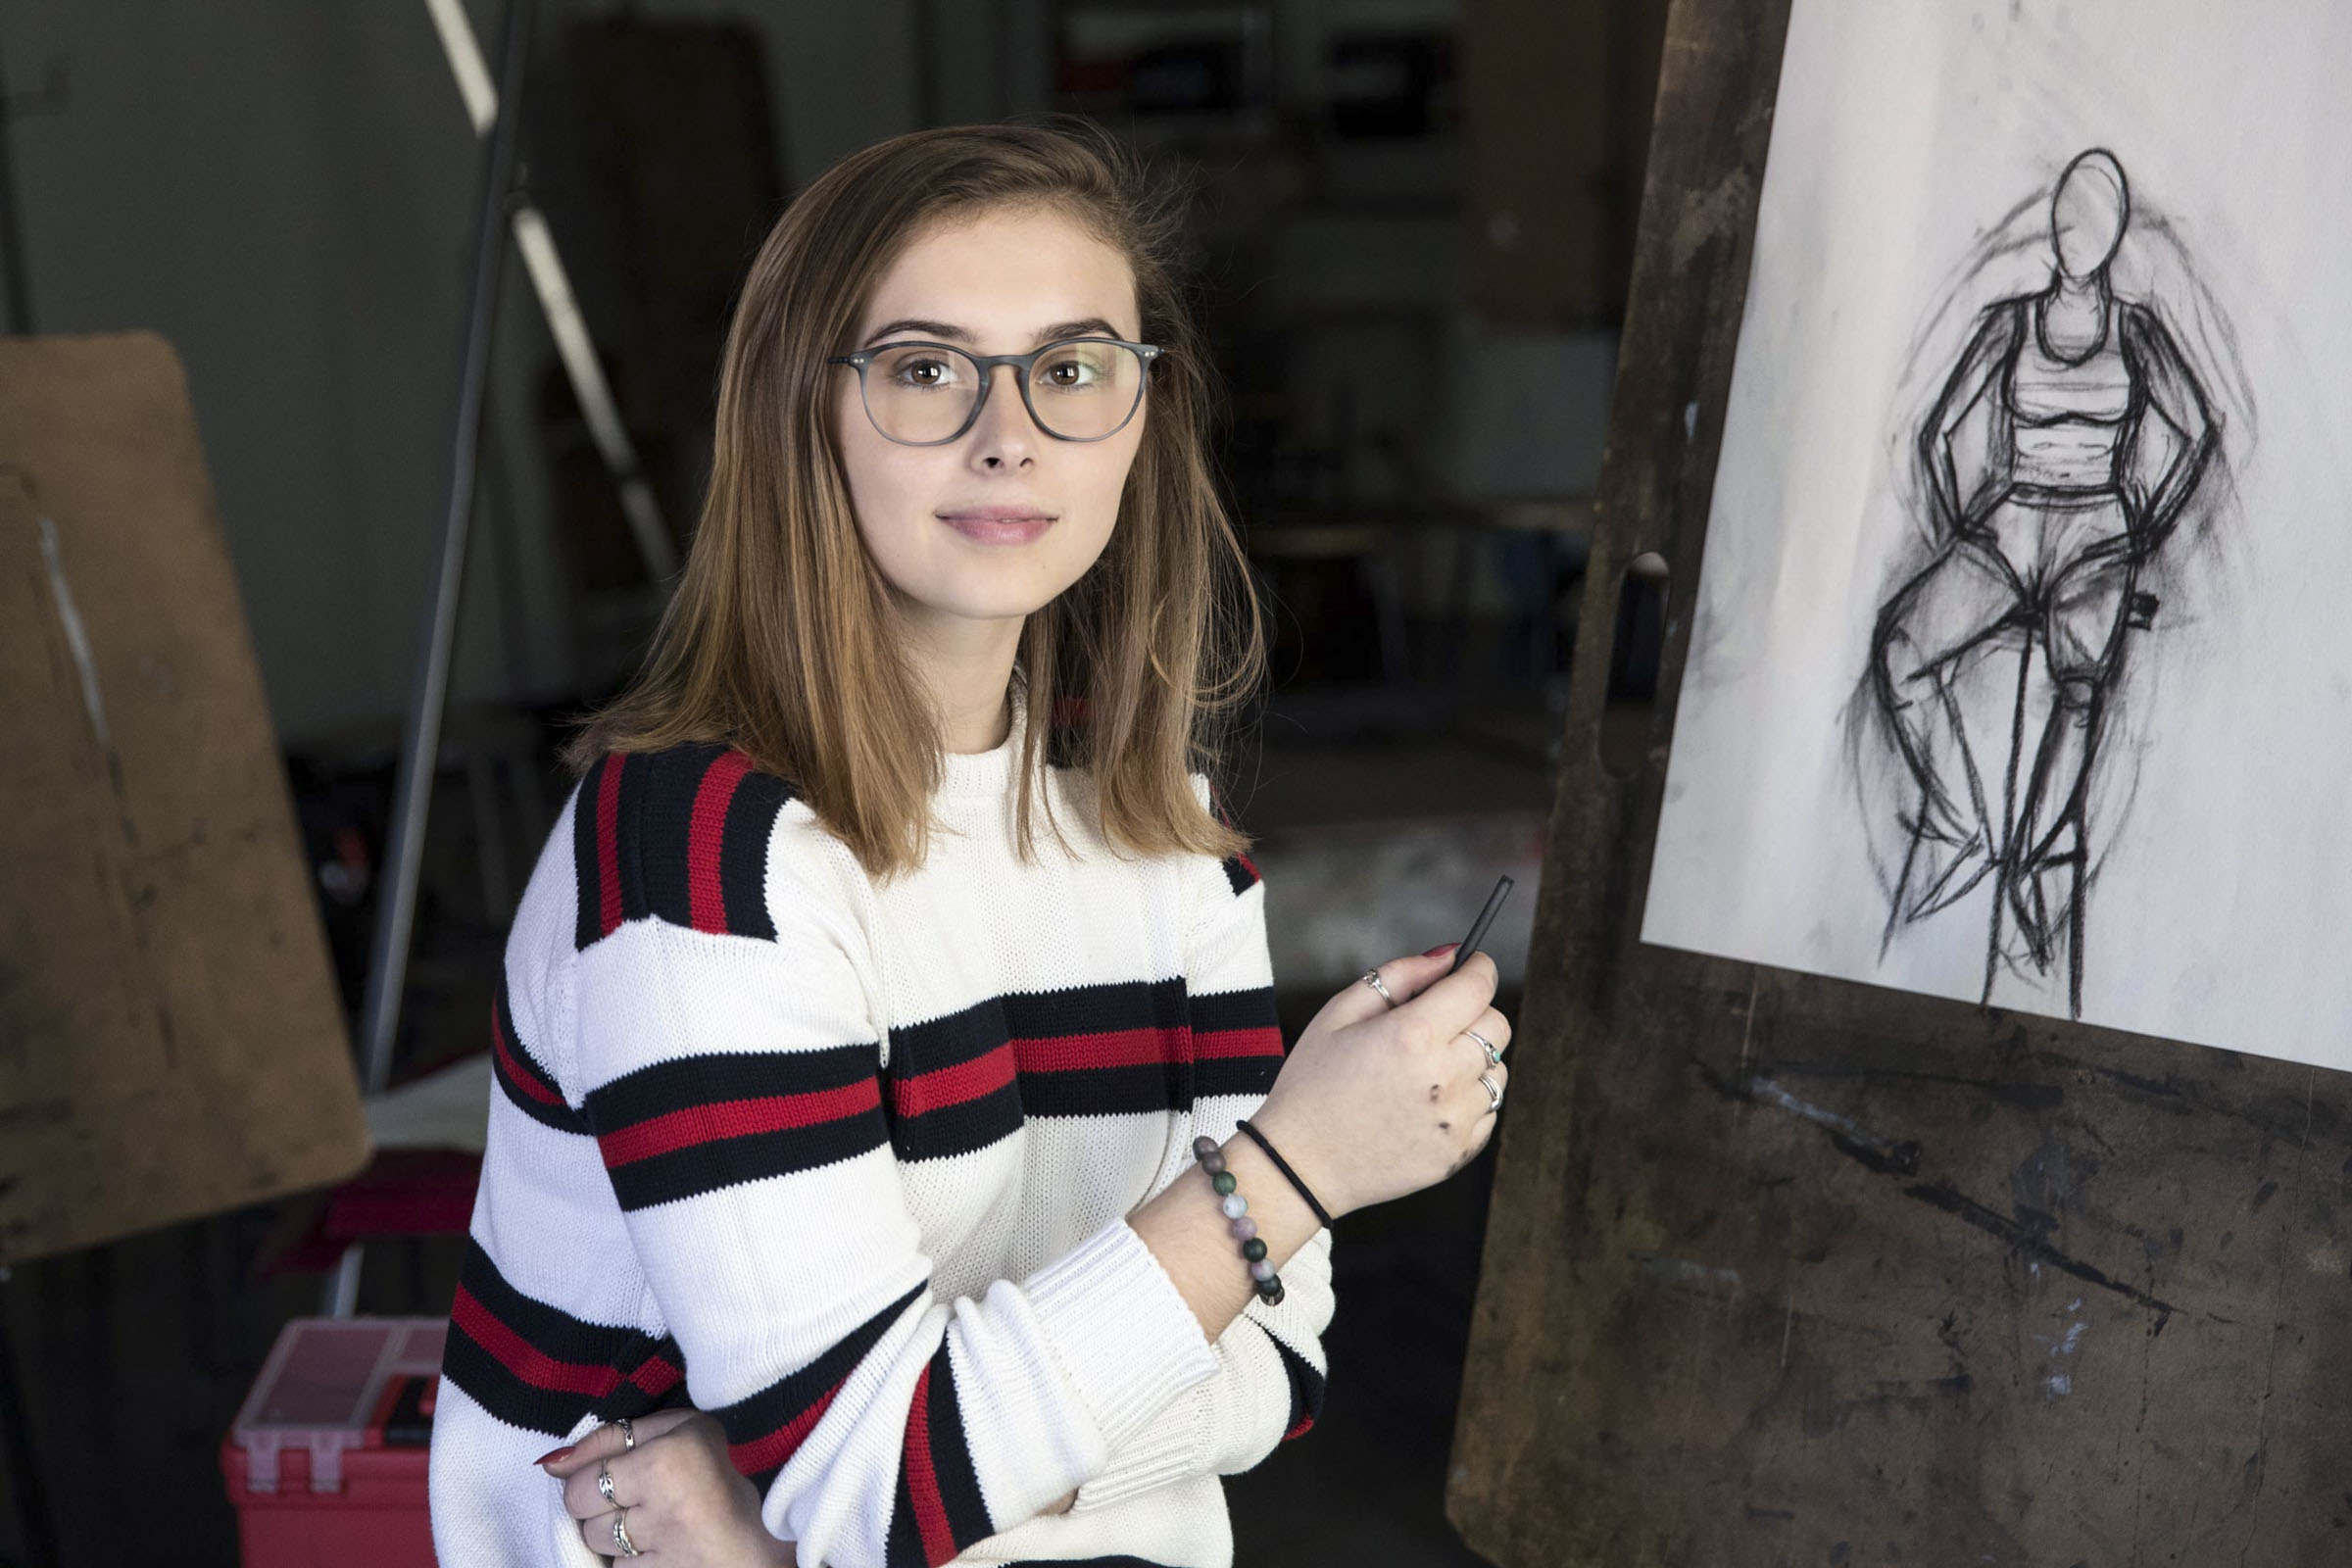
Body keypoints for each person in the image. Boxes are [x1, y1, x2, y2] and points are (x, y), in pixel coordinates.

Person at [426, 120, 1514, 1568]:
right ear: (799, 413)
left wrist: (808, 1493)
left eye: (1072, 370)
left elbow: (1274, 1382)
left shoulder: (1164, 836)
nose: (1011, 434)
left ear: (1142, 417)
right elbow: (883, 1491)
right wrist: (1293, 1168)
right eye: (927, 369)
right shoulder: (700, 861)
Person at [1867, 147, 2216, 1012]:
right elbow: (1937, 433)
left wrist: (2142, 533)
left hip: (2099, 531)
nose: (2074, 236)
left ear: (2114, 235)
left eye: (2091, 222)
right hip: (2010, 519)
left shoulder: (2138, 331)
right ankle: (1962, 818)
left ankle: (2029, 857)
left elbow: (2199, 432)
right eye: (2065, 219)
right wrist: (1962, 528)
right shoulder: (2010, 321)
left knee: (2079, 689)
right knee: (1902, 651)